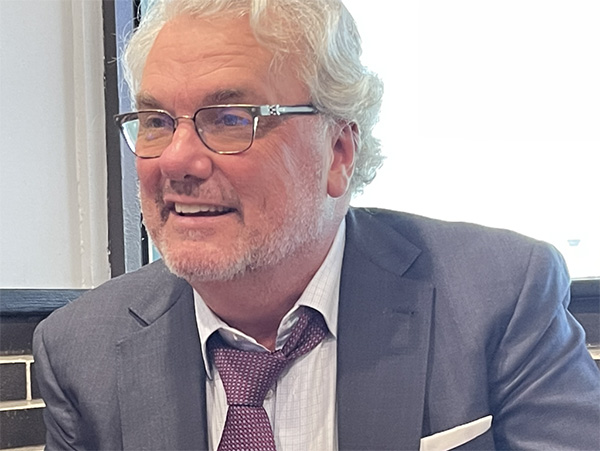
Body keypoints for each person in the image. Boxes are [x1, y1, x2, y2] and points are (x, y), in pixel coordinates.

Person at [33, 0, 599, 449]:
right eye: (156, 121)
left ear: (338, 153)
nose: (176, 160)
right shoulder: (81, 351)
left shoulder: (497, 296)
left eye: (232, 119)